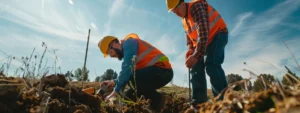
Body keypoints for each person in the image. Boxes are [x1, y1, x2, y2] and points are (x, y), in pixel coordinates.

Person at [166, 0, 229, 106]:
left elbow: (203, 32)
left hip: (217, 34)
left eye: (176, 9)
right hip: (204, 42)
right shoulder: (184, 20)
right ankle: (199, 101)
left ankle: (223, 101)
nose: (176, 13)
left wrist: (196, 55)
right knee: (195, 66)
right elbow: (189, 40)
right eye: (173, 11)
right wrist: (191, 51)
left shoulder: (196, 7)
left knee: (211, 64)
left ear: (182, 3)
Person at [97, 33, 173, 111]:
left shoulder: (129, 43)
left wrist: (115, 92)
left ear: (113, 44)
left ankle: (158, 99)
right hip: (153, 73)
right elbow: (127, 72)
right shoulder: (129, 53)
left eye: (110, 53)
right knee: (129, 95)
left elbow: (127, 70)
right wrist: (113, 82)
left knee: (131, 78)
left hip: (164, 71)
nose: (112, 56)